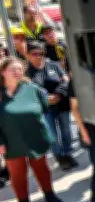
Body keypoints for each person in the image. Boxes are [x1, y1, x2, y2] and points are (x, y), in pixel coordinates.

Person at [0, 57, 63, 202]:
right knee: (17, 174)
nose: (17, 72)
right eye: (13, 69)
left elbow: (44, 107)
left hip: (35, 136)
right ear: (3, 72)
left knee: (41, 168)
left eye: (20, 69)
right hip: (11, 140)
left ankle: (49, 194)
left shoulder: (32, 88)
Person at [25, 42, 76, 170]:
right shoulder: (26, 72)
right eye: (35, 54)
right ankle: (60, 157)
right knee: (52, 134)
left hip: (61, 104)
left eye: (41, 54)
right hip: (44, 109)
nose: (39, 56)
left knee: (66, 131)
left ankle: (68, 153)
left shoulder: (53, 65)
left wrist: (58, 94)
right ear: (28, 54)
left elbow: (66, 80)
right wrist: (44, 98)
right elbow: (27, 90)